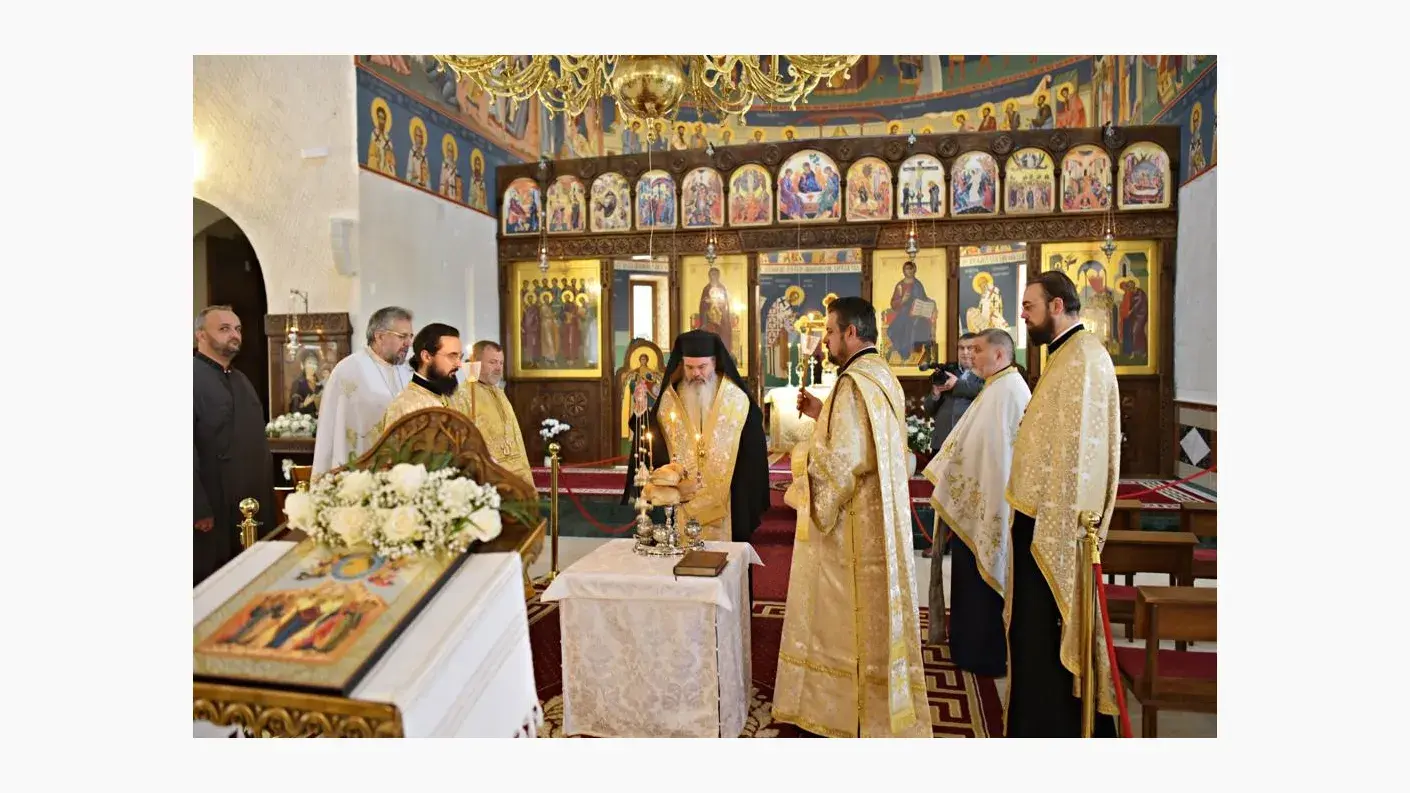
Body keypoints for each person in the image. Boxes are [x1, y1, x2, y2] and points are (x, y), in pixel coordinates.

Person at [772, 297, 931, 738]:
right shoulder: (881, 375)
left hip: (854, 524)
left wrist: (801, 469)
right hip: (880, 514)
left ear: (851, 333)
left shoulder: (851, 383)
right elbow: (864, 438)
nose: (825, 340)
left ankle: (841, 707)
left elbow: (840, 463)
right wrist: (821, 415)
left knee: (846, 615)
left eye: (830, 331)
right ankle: (877, 700)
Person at [1005, 271, 1121, 737]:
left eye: (1029, 306)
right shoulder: (1065, 356)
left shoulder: (1083, 360)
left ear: (1056, 306)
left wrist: (1054, 528)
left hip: (1053, 527)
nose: (1023, 315)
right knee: (1031, 637)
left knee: (1044, 637)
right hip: (1038, 518)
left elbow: (1080, 457)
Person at [921, 329, 1030, 676]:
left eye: (978, 350)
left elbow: (1001, 455)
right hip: (976, 501)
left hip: (990, 504)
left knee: (982, 585)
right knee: (969, 582)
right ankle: (967, 647)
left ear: (999, 355)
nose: (971, 356)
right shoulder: (995, 387)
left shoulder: (1009, 391)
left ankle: (982, 653)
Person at [624, 330, 768, 543]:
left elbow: (753, 445)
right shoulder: (670, 399)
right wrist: (641, 412)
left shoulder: (736, 399)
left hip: (728, 502)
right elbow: (652, 439)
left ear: (714, 363)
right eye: (689, 367)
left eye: (702, 367)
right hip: (681, 502)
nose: (696, 373)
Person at [193, 306, 274, 586]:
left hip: (251, 500)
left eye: (237, 329)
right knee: (214, 585)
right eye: (224, 329)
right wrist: (196, 507)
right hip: (214, 505)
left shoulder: (241, 379)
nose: (234, 335)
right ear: (200, 335)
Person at [312, 307, 414, 476]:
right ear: (379, 336)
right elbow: (332, 428)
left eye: (410, 336)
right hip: (360, 471)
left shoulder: (406, 371)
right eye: (402, 336)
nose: (408, 343)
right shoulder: (348, 371)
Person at [459, 340, 533, 489]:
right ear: (476, 363)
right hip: (490, 479)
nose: (498, 368)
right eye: (492, 362)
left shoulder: (500, 394)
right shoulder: (463, 396)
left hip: (517, 475)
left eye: (501, 363)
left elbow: (516, 437)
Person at [378, 323, 466, 431]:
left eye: (460, 357)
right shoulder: (405, 407)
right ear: (426, 357)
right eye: (452, 356)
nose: (459, 364)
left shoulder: (452, 398)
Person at [924, 333, 983, 452]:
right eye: (961, 348)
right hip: (941, 442)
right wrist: (935, 395)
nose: (964, 352)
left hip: (969, 443)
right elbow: (929, 410)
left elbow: (983, 391)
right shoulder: (947, 371)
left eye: (969, 348)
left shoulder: (985, 373)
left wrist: (957, 384)